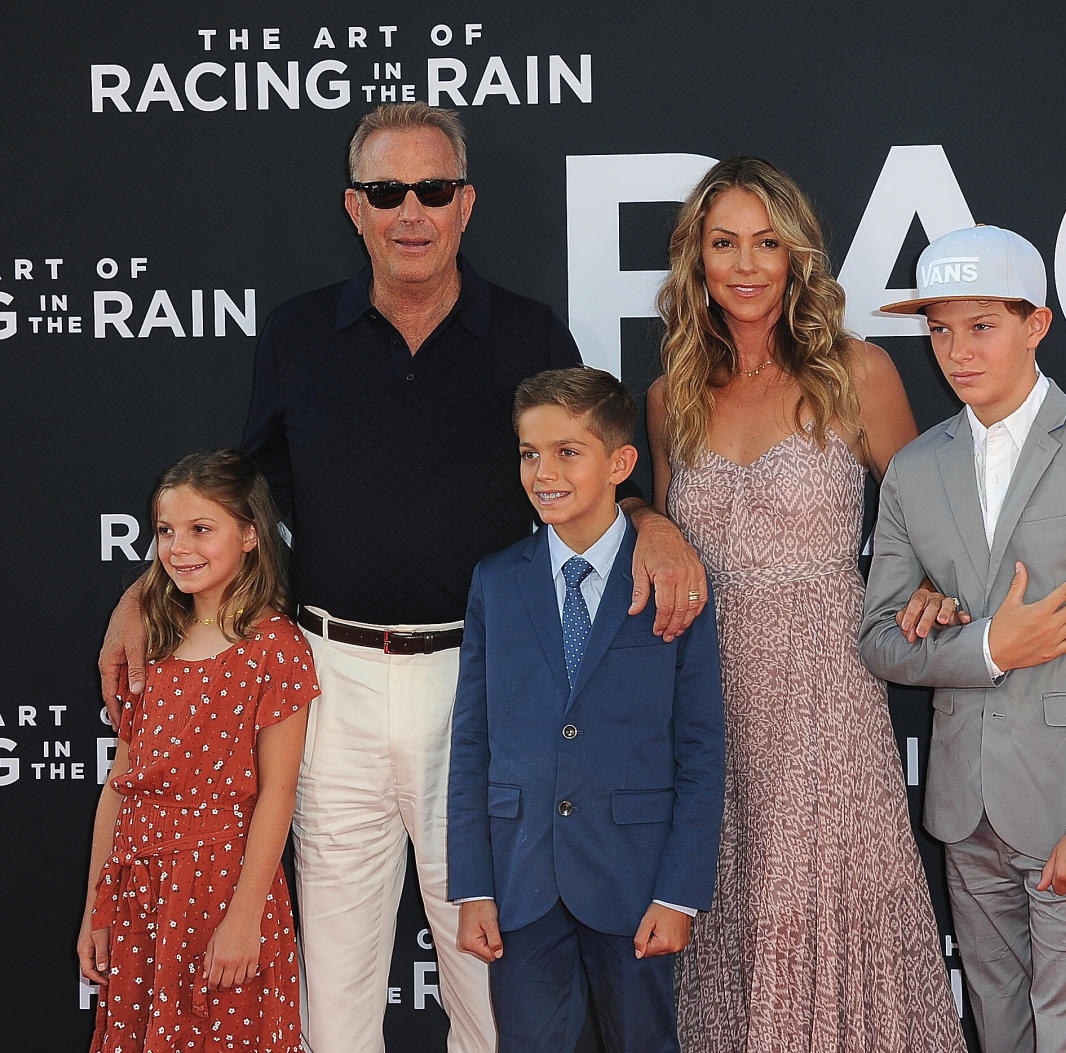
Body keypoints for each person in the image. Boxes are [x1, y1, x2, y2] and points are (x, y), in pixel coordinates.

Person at [96, 102, 706, 1053]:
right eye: (387, 192)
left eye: (433, 189)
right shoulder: (300, 336)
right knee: (336, 987)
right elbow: (241, 493)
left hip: (487, 688)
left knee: (484, 978)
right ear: (355, 207)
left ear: (465, 205)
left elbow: (587, 472)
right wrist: (145, 589)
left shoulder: (530, 333)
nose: (410, 211)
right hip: (329, 683)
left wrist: (652, 520)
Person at [646, 156, 965, 1052]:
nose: (746, 264)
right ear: (696, 260)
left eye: (767, 242)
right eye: (723, 243)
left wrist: (936, 587)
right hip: (709, 695)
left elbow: (924, 526)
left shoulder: (855, 372)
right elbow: (659, 530)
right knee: (733, 913)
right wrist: (642, 515)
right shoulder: (670, 398)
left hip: (827, 690)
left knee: (811, 908)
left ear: (796, 257)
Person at [859, 224, 1066, 1052]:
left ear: (1036, 324)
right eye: (938, 329)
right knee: (1001, 1032)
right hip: (967, 813)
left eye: (980, 325)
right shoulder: (916, 468)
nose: (956, 351)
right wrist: (990, 647)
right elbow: (880, 640)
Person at [447, 366, 725, 1053]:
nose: (544, 471)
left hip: (635, 881)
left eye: (568, 451)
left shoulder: (675, 579)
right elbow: (472, 741)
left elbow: (701, 747)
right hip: (522, 880)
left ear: (620, 462)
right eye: (529, 452)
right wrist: (475, 884)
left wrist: (679, 894)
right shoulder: (496, 581)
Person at [78, 449, 316, 1053]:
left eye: (200, 529)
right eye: (165, 532)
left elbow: (277, 793)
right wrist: (95, 905)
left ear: (251, 534)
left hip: (221, 887)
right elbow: (118, 787)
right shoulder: (151, 640)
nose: (178, 548)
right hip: (138, 893)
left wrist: (244, 917)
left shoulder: (275, 646)